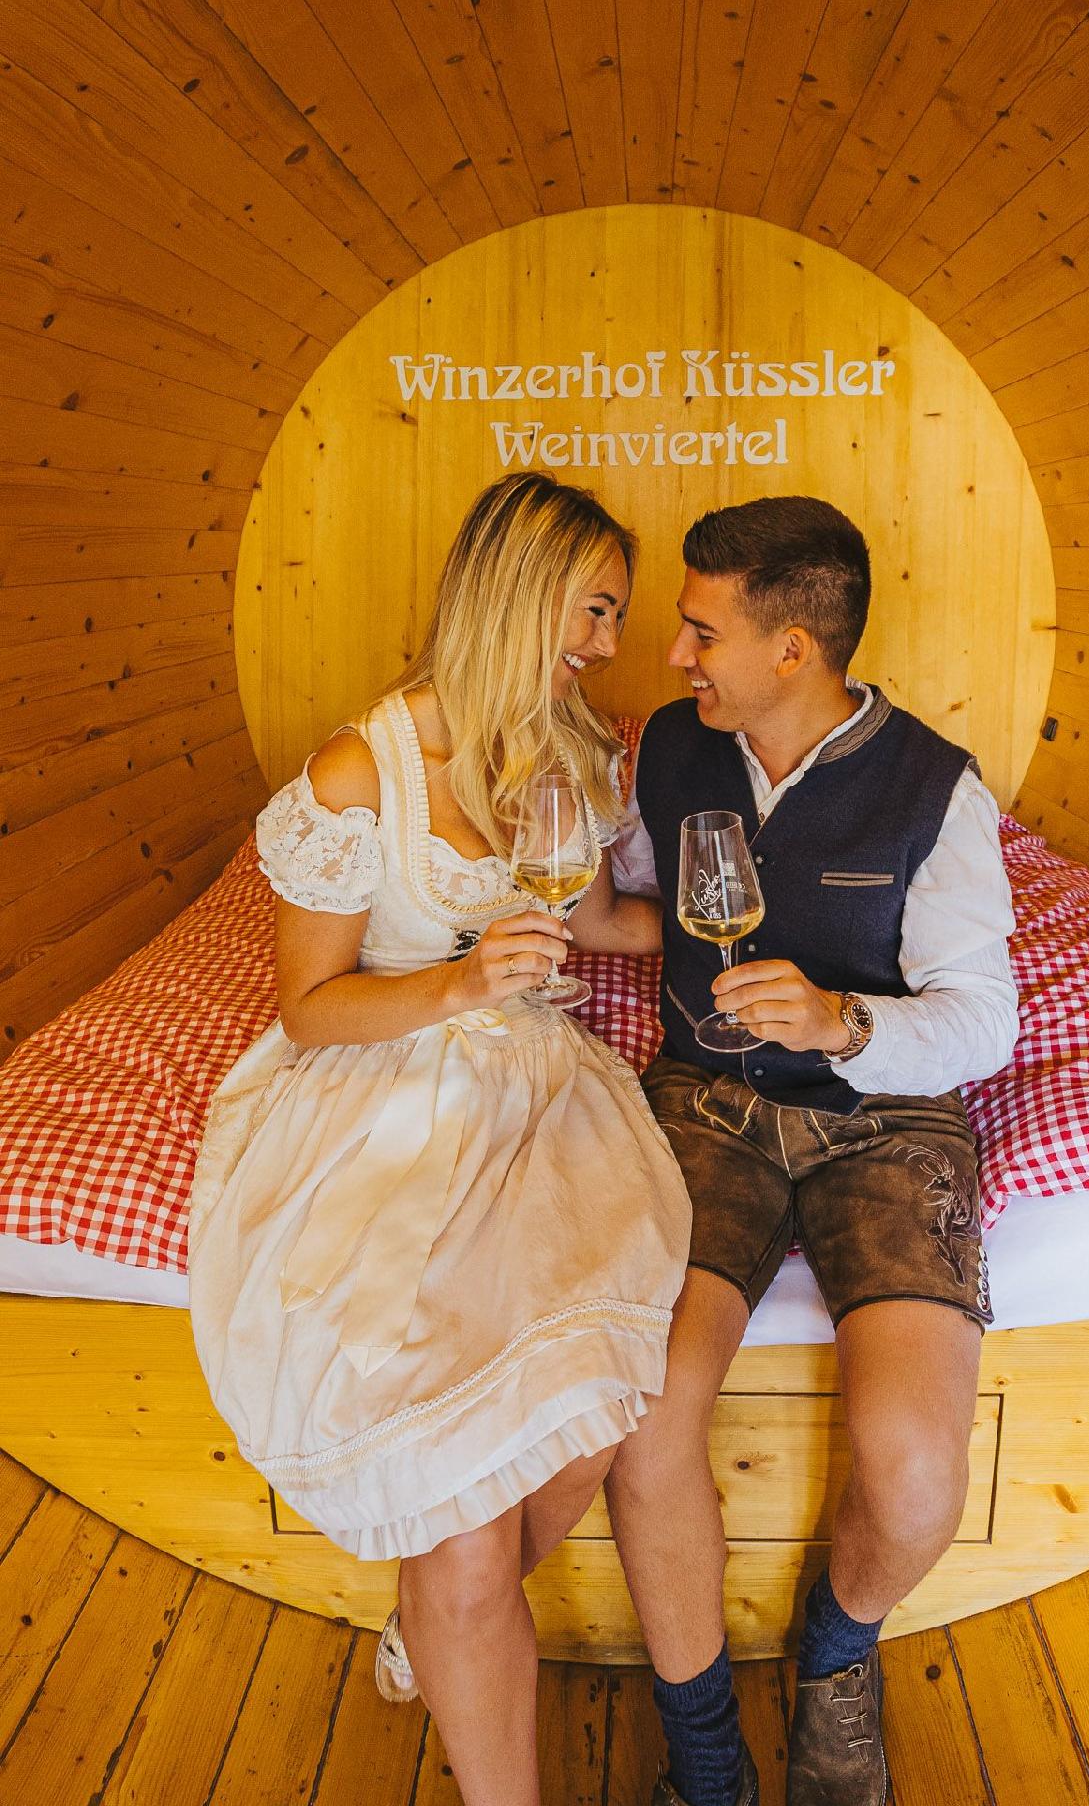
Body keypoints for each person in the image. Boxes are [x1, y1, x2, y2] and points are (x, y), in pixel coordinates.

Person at [188, 471, 692, 1806]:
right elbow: (309, 1009)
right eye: (593, 610)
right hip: (379, 1088)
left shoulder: (569, 751)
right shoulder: (359, 773)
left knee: (592, 1428)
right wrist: (463, 985)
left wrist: (731, 935)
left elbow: (590, 924)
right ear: (520, 594)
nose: (607, 643)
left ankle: (431, 1621)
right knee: (468, 1537)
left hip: (535, 1090)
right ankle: (456, 1625)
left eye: (615, 615)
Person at [605, 496, 1019, 1806]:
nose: (676, 655)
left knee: (916, 1474)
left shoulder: (937, 790)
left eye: (700, 630)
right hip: (708, 1097)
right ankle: (705, 1754)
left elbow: (984, 1020)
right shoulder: (672, 747)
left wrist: (844, 1021)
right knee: (644, 1421)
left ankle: (837, 1652)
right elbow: (639, 897)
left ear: (792, 648)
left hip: (883, 1116)